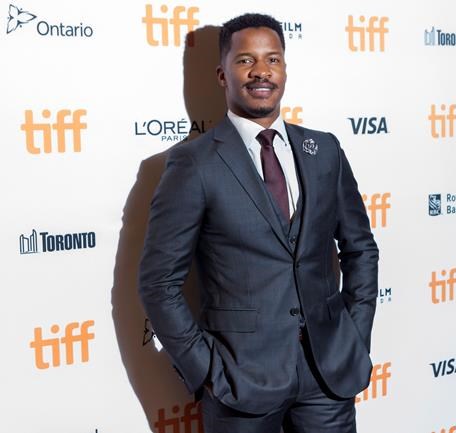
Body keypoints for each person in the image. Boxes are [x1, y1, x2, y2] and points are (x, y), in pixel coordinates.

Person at [138, 12, 379, 433]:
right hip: (240, 383)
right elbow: (159, 282)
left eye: (272, 59)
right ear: (221, 74)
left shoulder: (324, 150)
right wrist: (207, 369)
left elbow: (361, 249)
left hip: (328, 378)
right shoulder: (193, 164)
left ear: (285, 69)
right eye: (245, 60)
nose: (261, 72)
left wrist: (353, 337)